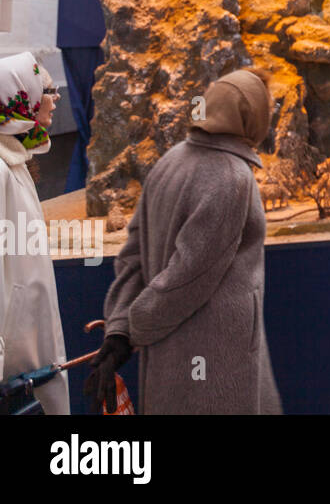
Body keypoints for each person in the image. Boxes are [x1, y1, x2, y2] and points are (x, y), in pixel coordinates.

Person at [87, 68, 282, 413]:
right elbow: (189, 275)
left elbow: (133, 258)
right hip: (218, 364)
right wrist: (134, 327)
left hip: (169, 358)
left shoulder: (170, 162)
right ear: (252, 116)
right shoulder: (233, 177)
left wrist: (119, 332)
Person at [0, 52, 69, 414]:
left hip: (27, 343)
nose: (55, 97)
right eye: (46, 89)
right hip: (12, 353)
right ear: (21, 95)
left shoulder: (15, 160)